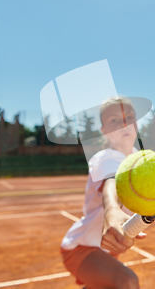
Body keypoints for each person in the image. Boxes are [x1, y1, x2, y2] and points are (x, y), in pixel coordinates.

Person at [60, 96, 145, 289]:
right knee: (127, 282)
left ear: (136, 124)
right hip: (83, 248)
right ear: (104, 132)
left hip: (107, 247)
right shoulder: (105, 158)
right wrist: (112, 210)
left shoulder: (141, 161)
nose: (124, 124)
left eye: (129, 117)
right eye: (114, 120)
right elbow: (111, 182)